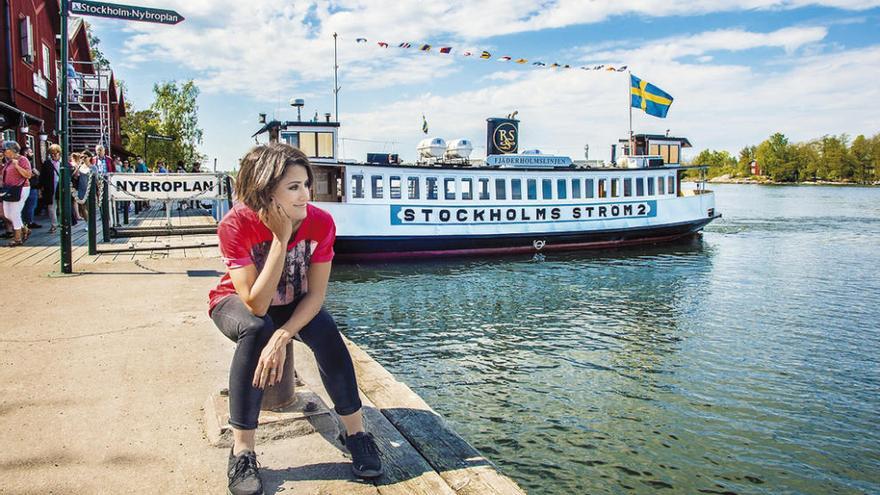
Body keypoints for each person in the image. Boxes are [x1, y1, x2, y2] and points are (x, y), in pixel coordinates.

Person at [208, 143, 381, 495]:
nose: (305, 195)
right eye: (293, 187)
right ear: (265, 190)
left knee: (327, 330)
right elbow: (255, 303)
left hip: (294, 302)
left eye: (306, 185)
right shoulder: (235, 225)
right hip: (237, 302)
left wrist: (285, 334)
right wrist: (280, 238)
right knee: (257, 329)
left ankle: (356, 432)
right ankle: (243, 451)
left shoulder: (321, 223)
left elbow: (315, 295)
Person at [1, 141, 33, 246]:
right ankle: (25, 229)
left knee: (14, 213)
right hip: (9, 190)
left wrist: (17, 166)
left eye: (4, 150)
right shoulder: (8, 162)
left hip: (21, 189)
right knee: (7, 214)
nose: (3, 152)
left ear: (11, 150)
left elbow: (28, 175)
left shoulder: (22, 159)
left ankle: (18, 238)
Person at [40, 144, 63, 233]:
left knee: (62, 207)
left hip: (61, 188)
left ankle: (63, 224)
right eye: (51, 154)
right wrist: (40, 188)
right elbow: (42, 177)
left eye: (55, 153)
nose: (53, 155)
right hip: (50, 188)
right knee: (51, 207)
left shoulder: (63, 163)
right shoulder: (47, 163)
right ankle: (54, 224)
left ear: (59, 153)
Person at [21, 146, 41, 229]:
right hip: (30, 187)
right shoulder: (27, 162)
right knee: (30, 205)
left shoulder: (21, 161)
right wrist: (33, 174)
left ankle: (25, 222)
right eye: (30, 152)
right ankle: (29, 222)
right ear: (26, 153)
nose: (32, 154)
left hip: (26, 187)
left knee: (26, 206)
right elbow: (37, 173)